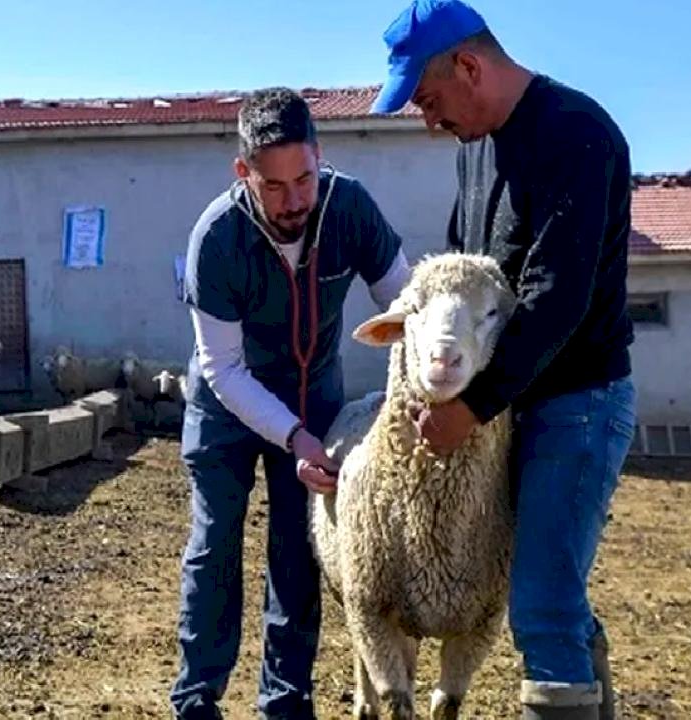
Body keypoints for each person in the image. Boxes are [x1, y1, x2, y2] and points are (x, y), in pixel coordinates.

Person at [369, 2, 637, 719]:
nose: (430, 121)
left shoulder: (576, 134)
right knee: (553, 594)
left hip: (576, 402)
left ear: (468, 66)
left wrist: (472, 408)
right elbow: (466, 278)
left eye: (429, 100)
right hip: (513, 402)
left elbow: (557, 297)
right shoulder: (477, 148)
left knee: (542, 603)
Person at [171, 87, 414, 720]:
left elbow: (407, 306)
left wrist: (416, 392)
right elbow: (223, 367)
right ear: (243, 173)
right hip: (227, 405)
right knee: (215, 543)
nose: (294, 200)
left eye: (304, 178)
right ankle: (197, 697)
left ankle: (285, 700)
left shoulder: (349, 208)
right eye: (274, 186)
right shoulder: (216, 239)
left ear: (319, 156)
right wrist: (292, 436)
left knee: (299, 549)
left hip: (316, 396)